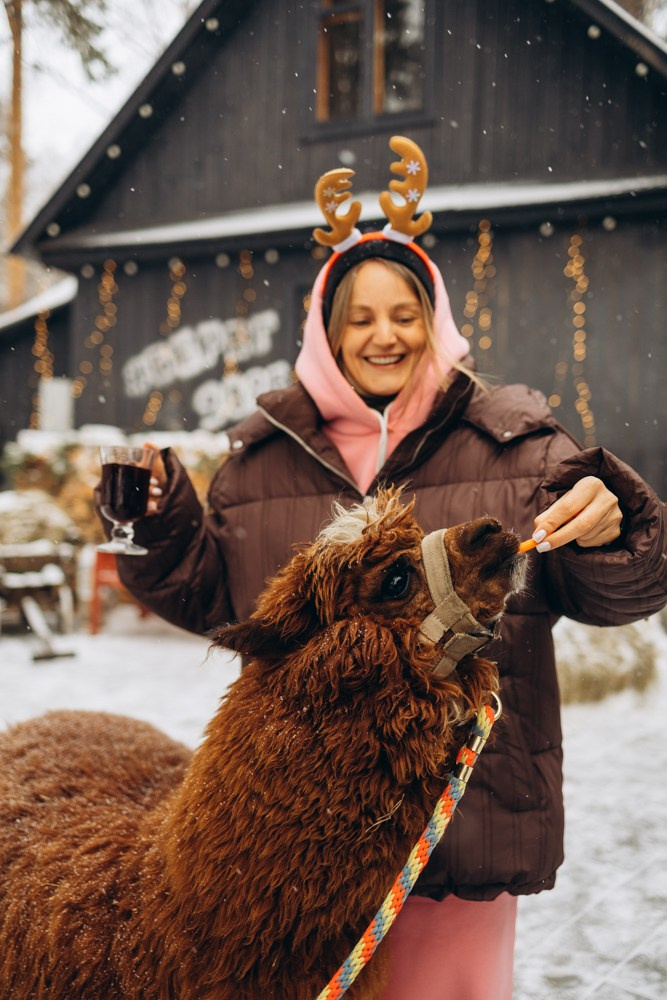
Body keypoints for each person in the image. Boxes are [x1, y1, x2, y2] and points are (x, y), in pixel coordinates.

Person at [105, 137, 667, 999]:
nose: (382, 335)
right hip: (306, 833)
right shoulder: (260, 462)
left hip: (466, 816)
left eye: (403, 313)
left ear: (433, 322)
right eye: (357, 318)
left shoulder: (518, 445)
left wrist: (611, 524)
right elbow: (217, 598)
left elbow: (619, 588)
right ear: (325, 333)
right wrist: (154, 524)